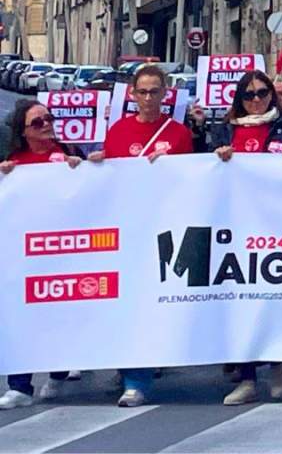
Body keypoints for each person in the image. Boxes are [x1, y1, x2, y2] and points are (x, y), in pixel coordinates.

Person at [200, 70, 282, 405]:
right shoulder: (225, 129)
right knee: (240, 302)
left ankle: (276, 364)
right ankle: (247, 378)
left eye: (262, 93)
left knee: (272, 298)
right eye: (249, 95)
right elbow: (204, 170)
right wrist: (217, 157)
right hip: (235, 226)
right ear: (239, 98)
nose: (256, 100)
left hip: (276, 225)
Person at [86, 64, 196, 407]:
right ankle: (127, 367)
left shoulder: (178, 133)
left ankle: (138, 378)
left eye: (155, 91)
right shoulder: (118, 130)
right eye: (143, 92)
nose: (148, 98)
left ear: (166, 94)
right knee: (123, 301)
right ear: (132, 94)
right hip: (125, 228)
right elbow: (109, 179)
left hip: (162, 228)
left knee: (148, 302)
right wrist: (94, 164)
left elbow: (192, 179)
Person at [0, 101, 81, 410]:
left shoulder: (69, 153)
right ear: (23, 131)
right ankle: (19, 385)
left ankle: (59, 372)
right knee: (21, 316)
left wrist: (82, 168)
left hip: (65, 251)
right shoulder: (13, 162)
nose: (46, 124)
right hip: (24, 253)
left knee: (59, 315)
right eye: (37, 122)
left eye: (49, 118)